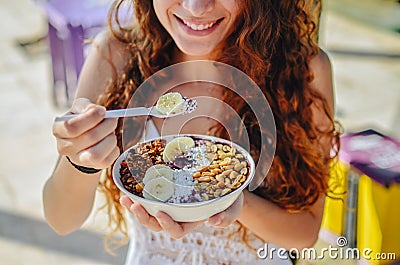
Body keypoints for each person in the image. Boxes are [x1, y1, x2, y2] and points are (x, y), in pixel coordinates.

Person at [43, 0, 340, 264]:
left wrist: (228, 199)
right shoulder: (116, 54)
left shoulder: (304, 71)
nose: (196, 8)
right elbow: (61, 220)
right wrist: (79, 159)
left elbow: (304, 234)